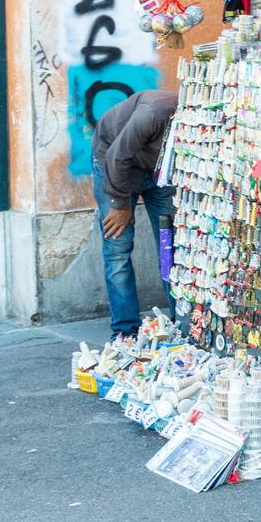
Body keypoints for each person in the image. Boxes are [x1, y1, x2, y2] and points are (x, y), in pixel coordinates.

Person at [90, 89, 177, 339]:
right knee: (118, 247)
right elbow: (117, 157)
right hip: (114, 164)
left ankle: (181, 324)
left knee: (170, 244)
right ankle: (125, 331)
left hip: (158, 174)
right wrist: (120, 205)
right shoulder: (153, 114)